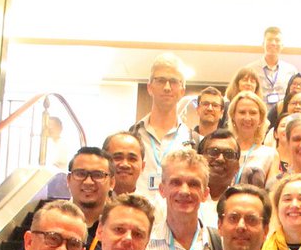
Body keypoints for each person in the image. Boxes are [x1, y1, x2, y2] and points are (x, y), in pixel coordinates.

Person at [137, 151, 219, 250]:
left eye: (193, 184)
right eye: (176, 183)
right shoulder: (142, 246)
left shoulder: (218, 247)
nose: (184, 191)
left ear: (205, 194)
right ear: (162, 190)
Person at [130, 54, 193, 193]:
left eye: (174, 81)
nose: (167, 87)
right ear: (149, 87)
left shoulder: (194, 141)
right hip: (138, 212)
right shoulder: (132, 136)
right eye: (160, 80)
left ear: (182, 90)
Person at [195, 130, 242, 231]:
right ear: (198, 159)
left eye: (229, 154)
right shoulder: (183, 199)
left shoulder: (242, 205)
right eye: (213, 152)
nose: (220, 159)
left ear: (238, 166)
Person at [227, 90, 277, 179]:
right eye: (242, 112)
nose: (247, 118)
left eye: (253, 113)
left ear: (261, 118)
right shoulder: (224, 151)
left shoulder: (270, 155)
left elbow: (272, 191)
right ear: (233, 116)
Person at [257, 27, 297, 108]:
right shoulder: (251, 70)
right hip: (259, 115)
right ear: (262, 44)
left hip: (283, 116)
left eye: (277, 40)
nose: (273, 43)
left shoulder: (291, 71)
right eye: (269, 39)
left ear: (282, 46)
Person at [104, 131, 145, 197]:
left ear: (143, 166)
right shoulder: (92, 203)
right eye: (117, 158)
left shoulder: (151, 206)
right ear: (104, 162)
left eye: (132, 159)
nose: (125, 164)